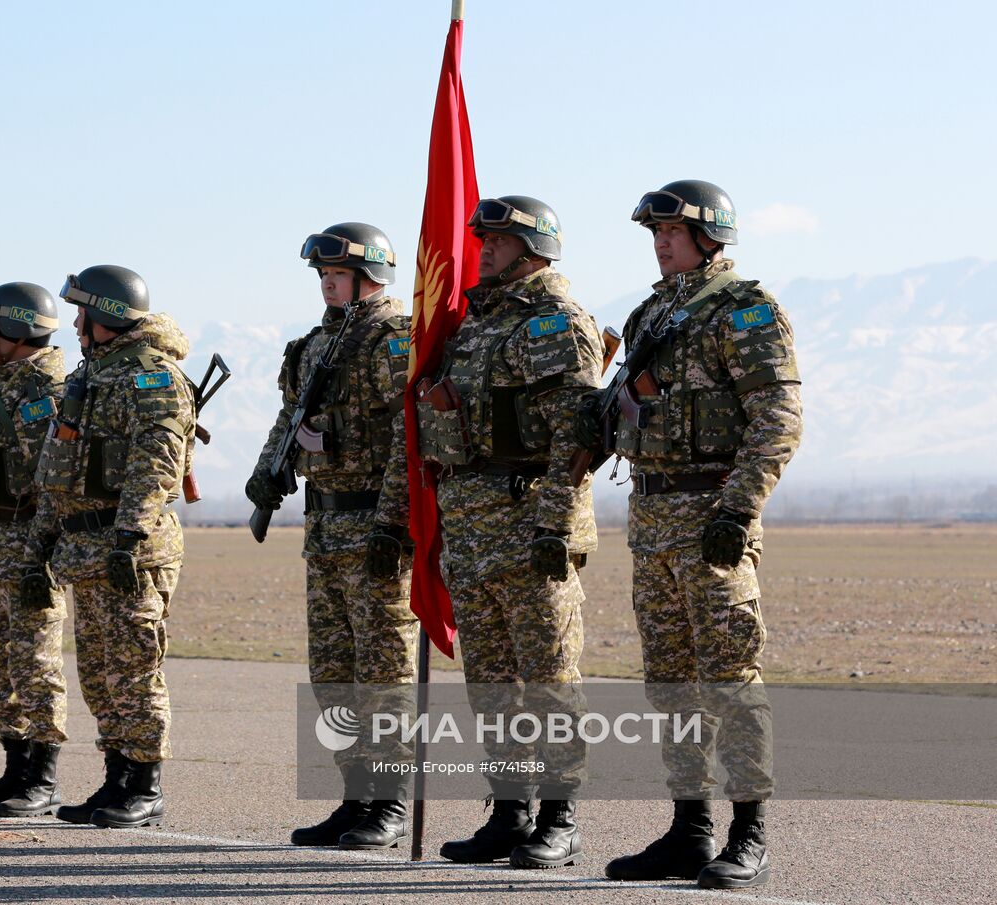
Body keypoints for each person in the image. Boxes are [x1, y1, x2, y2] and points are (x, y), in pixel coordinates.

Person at [590, 180, 802, 890]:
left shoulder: (745, 312)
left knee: (731, 680)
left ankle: (750, 833)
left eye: (671, 229)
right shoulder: (651, 314)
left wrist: (737, 512)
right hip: (650, 524)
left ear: (711, 236)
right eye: (653, 229)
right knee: (671, 686)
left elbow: (777, 419)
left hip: (712, 518)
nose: (659, 239)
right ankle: (689, 829)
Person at [409, 197, 603, 867]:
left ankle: (560, 814)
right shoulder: (475, 325)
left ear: (534, 248)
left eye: (498, 239)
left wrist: (554, 523)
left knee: (548, 675)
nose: (483, 248)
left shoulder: (553, 323)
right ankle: (510, 810)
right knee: (492, 681)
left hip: (529, 528)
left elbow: (575, 437)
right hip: (472, 530)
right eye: (483, 237)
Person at [246, 222, 419, 850]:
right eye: (321, 275)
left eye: (336, 274)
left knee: (384, 671)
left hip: (375, 524)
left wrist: (395, 521)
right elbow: (290, 418)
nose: (325, 283)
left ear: (371, 276)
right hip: (324, 525)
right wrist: (267, 473)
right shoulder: (314, 345)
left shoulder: (393, 340)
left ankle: (389, 802)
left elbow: (410, 436)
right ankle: (354, 795)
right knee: (334, 673)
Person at [30, 265, 195, 829]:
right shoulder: (90, 377)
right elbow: (60, 469)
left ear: (107, 316)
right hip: (84, 547)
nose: (75, 322)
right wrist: (42, 542)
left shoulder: (152, 377)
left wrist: (130, 535)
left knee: (134, 668)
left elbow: (157, 462)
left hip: (131, 549)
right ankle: (116, 775)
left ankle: (145, 784)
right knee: (99, 672)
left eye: (83, 312)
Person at [0, 282, 71, 818]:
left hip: (30, 546)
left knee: (35, 665)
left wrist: (44, 551)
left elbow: (56, 478)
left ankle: (43, 778)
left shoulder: (59, 391)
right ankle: (15, 767)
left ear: (17, 330)